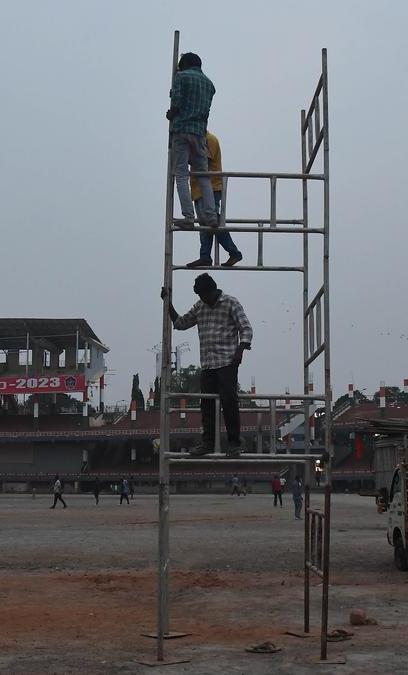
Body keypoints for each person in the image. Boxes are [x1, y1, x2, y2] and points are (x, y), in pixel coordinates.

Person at [163, 274, 253, 457]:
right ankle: (208, 443)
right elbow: (181, 323)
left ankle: (234, 443)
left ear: (212, 291)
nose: (201, 299)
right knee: (207, 405)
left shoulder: (230, 303)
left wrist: (240, 350)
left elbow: (246, 328)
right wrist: (168, 303)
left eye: (203, 295)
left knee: (229, 401)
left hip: (227, 361)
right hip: (208, 364)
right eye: (200, 296)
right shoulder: (200, 306)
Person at [167, 52, 217, 229]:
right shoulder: (209, 85)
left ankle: (188, 217)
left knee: (181, 174)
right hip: (200, 134)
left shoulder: (181, 77)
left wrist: (170, 113)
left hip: (181, 131)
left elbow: (177, 103)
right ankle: (211, 216)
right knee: (203, 175)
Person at [186, 130, 242, 268]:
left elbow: (203, 160)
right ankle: (205, 256)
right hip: (199, 190)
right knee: (205, 224)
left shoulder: (209, 139)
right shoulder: (200, 141)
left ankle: (233, 252)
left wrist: (183, 154)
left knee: (212, 221)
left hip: (211, 188)